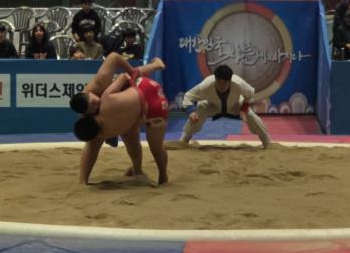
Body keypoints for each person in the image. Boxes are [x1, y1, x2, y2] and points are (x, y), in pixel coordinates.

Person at [69, 53, 166, 185]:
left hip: (134, 91)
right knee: (97, 142)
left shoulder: (100, 84)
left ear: (89, 93)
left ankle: (139, 170)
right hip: (132, 103)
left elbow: (114, 57)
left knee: (133, 137)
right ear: (86, 114)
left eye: (93, 102)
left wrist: (130, 70)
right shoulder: (89, 116)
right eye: (92, 109)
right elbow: (91, 146)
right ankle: (84, 179)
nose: (96, 105)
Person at [179, 65, 271, 147]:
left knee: (250, 114)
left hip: (234, 106)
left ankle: (267, 143)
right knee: (201, 107)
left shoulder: (238, 83)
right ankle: (183, 141)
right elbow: (188, 96)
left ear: (230, 81)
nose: (221, 85)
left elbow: (250, 95)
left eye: (225, 82)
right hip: (212, 106)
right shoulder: (206, 85)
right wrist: (190, 111)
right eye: (219, 82)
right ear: (215, 79)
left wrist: (243, 109)